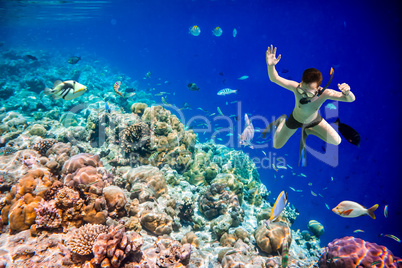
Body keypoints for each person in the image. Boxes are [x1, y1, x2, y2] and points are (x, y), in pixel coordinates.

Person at [262, 45, 355, 164]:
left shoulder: (325, 93)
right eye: (302, 90)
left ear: (318, 90)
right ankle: (282, 120)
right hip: (294, 119)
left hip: (314, 121)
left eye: (309, 94)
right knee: (276, 145)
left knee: (337, 141)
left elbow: (350, 99)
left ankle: (309, 130)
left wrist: (347, 92)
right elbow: (275, 78)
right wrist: (271, 66)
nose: (304, 95)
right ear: (301, 83)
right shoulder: (295, 87)